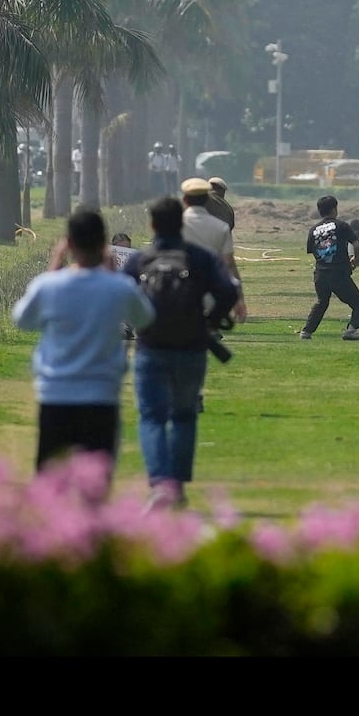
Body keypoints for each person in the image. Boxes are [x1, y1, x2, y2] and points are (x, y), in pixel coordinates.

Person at [12, 208, 155, 473]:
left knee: (52, 483)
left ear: (69, 244)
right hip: (101, 394)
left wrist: (53, 267)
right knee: (96, 484)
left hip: (56, 393)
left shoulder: (49, 286)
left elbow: (23, 320)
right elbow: (145, 318)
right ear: (104, 244)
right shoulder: (119, 288)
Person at [124, 197, 241, 512]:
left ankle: (161, 483)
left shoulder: (139, 260)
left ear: (152, 225)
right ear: (181, 223)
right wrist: (209, 321)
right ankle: (177, 486)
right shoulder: (200, 258)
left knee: (151, 416)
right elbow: (229, 290)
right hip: (191, 348)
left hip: (150, 347)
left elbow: (122, 296)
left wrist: (139, 322)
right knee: (184, 415)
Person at [301, 194, 359, 341]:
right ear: (334, 209)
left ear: (319, 211)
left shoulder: (313, 230)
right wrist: (355, 259)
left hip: (320, 273)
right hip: (338, 272)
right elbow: (356, 244)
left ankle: (306, 332)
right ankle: (351, 331)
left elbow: (313, 251)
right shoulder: (342, 225)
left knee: (322, 302)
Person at [181, 177, 247, 323]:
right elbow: (229, 262)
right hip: (210, 279)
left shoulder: (176, 222)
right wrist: (239, 297)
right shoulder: (225, 215)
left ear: (185, 199)